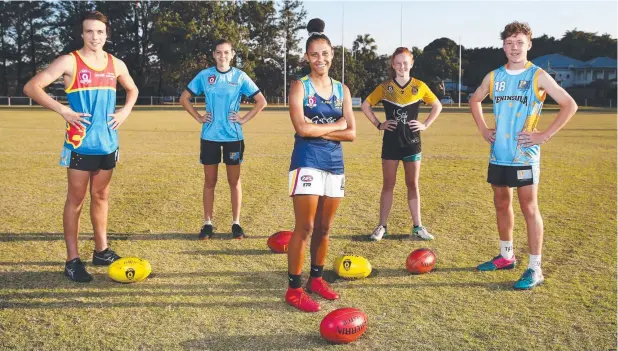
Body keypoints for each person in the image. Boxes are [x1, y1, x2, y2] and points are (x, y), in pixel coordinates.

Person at [23, 11, 139, 282]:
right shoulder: (69, 61)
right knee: (75, 201)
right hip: (80, 144)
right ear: (82, 34)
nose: (95, 37)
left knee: (101, 197)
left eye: (99, 32)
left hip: (108, 144)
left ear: (107, 34)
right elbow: (32, 87)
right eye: (89, 31)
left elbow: (132, 90)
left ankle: (101, 250)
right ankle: (72, 260)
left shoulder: (116, 64)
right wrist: (62, 110)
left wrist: (124, 112)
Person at [469, 21, 577, 290]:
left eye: (519, 42)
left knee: (529, 208)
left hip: (524, 156)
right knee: (501, 203)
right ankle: (506, 256)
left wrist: (544, 135)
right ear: (503, 46)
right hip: (498, 154)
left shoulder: (538, 75)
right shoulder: (494, 76)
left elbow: (568, 104)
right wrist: (483, 129)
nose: (514, 48)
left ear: (529, 45)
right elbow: (474, 99)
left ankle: (535, 268)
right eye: (509, 43)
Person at [285, 18, 356, 312]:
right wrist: (335, 125)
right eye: (314, 54)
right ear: (306, 57)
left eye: (325, 54)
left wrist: (321, 127)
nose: (320, 59)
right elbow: (301, 128)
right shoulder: (299, 87)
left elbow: (351, 133)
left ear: (332, 55)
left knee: (325, 228)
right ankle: (294, 289)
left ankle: (316, 279)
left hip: (334, 162)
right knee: (305, 227)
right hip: (307, 160)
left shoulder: (343, 90)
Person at [179, 39, 267, 240]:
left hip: (233, 137)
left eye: (226, 52)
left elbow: (261, 101)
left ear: (232, 54)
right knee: (210, 181)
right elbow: (184, 98)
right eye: (218, 52)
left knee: (233, 181)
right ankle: (207, 223)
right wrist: (199, 117)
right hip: (209, 136)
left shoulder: (240, 76)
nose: (222, 56)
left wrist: (243, 119)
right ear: (214, 54)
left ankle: (236, 223)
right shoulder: (205, 75)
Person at [361, 47, 442, 242]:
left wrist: (425, 125)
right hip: (391, 142)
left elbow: (437, 105)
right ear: (392, 64)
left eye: (405, 63)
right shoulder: (385, 87)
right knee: (388, 185)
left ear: (411, 64)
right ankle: (382, 226)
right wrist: (379, 124)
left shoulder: (420, 86)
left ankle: (418, 226)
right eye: (397, 63)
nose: (401, 66)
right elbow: (365, 105)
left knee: (412, 184)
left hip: (412, 143)